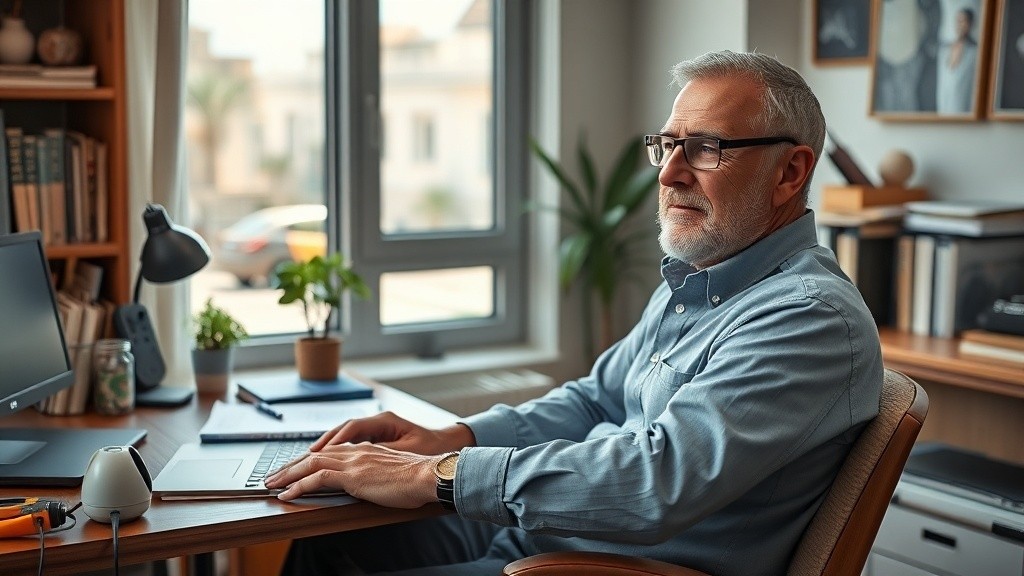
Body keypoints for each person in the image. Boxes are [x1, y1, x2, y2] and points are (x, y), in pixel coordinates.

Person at [266, 50, 884, 576]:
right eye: (668, 145)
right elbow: (594, 400)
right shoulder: (699, 278)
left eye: (705, 149)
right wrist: (455, 438)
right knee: (323, 537)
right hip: (542, 537)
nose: (670, 174)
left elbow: (654, 482)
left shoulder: (808, 319)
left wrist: (438, 475)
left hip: (597, 568)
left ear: (790, 171)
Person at [936, 7, 978, 114]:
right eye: (957, 21)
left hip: (963, 111)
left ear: (970, 24)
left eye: (963, 21)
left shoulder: (975, 52)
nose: (959, 25)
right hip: (943, 109)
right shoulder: (945, 50)